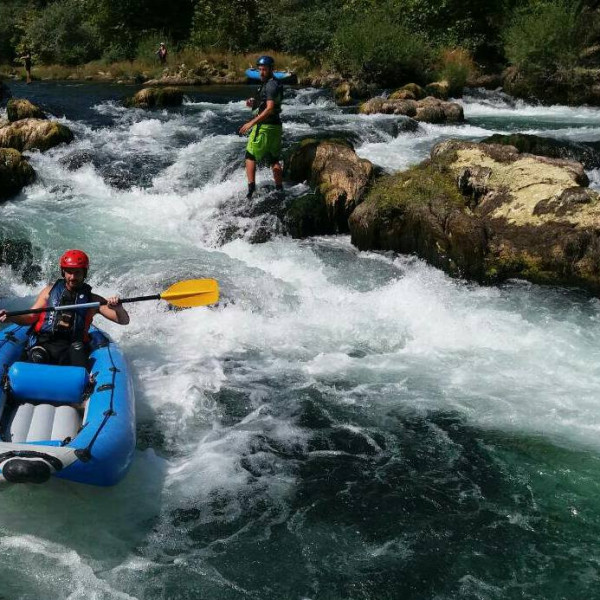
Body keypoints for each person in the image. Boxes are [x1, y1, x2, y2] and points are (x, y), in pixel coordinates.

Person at [0, 249, 129, 368]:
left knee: (78, 352)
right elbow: (30, 317)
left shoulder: (93, 300)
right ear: (63, 272)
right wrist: (10, 316)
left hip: (72, 348)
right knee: (36, 357)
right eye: (69, 272)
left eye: (77, 272)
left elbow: (123, 320)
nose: (73, 277)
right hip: (45, 344)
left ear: (84, 273)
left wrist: (118, 308)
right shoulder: (48, 292)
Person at [239, 55, 284, 199]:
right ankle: (279, 188)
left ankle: (251, 189)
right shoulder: (274, 83)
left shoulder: (270, 85)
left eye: (264, 70)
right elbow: (268, 103)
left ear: (271, 69)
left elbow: (270, 108)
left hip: (264, 127)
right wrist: (254, 103)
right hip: (276, 127)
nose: (261, 73)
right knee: (274, 159)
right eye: (260, 69)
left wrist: (251, 123)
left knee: (250, 156)